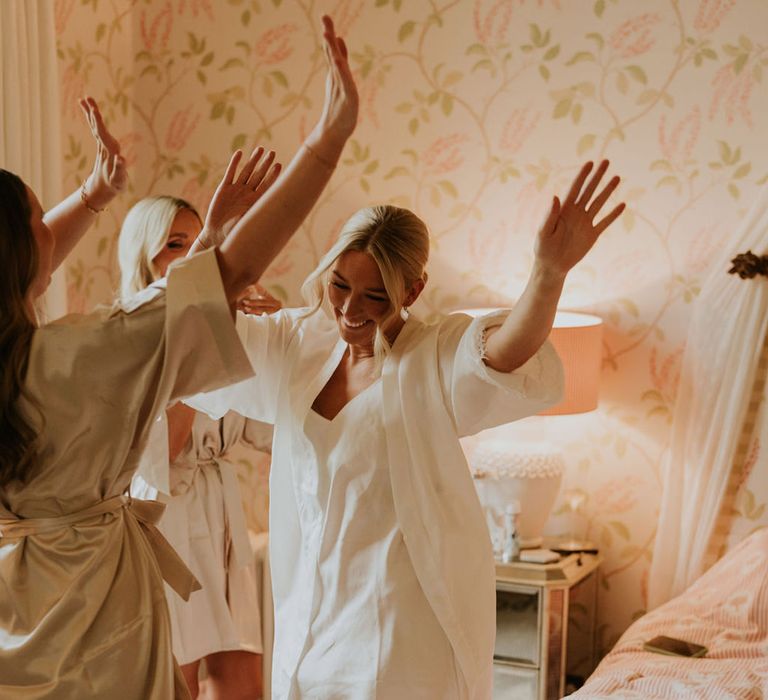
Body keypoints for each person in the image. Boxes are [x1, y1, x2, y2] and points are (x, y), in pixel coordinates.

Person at [0, 15, 357, 700]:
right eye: (42, 224)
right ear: (25, 257)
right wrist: (325, 143)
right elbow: (234, 267)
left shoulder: (48, 355)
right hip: (91, 617)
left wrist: (97, 194)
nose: (54, 231)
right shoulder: (80, 357)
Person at [188, 161, 625, 699]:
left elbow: (506, 351)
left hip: (399, 628)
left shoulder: (434, 353)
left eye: (375, 297)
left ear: (413, 291)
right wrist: (212, 240)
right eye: (340, 284)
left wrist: (548, 274)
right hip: (308, 620)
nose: (349, 309)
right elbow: (194, 340)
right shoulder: (299, 343)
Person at [118, 184, 282, 700]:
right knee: (180, 681)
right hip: (165, 518)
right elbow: (160, 453)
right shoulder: (127, 336)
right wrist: (202, 336)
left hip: (220, 507)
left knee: (242, 678)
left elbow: (268, 429)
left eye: (198, 244)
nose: (190, 256)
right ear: (144, 257)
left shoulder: (222, 322)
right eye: (174, 245)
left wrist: (274, 343)